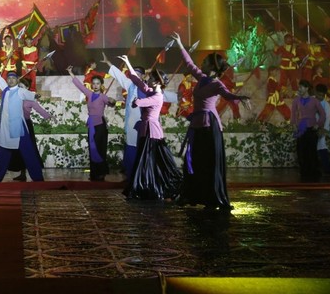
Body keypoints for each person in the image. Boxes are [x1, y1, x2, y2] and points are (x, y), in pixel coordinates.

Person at [171, 33, 250, 212]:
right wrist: (179, 44)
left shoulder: (216, 84)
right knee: (194, 160)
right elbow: (190, 65)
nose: (202, 64)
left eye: (205, 62)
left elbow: (228, 95)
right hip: (197, 123)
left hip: (209, 125)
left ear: (212, 67)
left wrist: (240, 97)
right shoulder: (202, 78)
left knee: (208, 162)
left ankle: (211, 197)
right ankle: (192, 194)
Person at [102, 52, 176, 179]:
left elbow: (166, 96)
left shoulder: (150, 89)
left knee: (145, 147)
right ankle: (131, 174)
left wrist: (183, 97)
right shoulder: (130, 85)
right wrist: (109, 63)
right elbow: (119, 76)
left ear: (142, 76)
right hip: (132, 122)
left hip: (147, 123)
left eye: (137, 73)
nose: (134, 75)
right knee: (131, 144)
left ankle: (148, 175)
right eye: (133, 73)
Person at [117, 55, 181, 201]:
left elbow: (142, 102)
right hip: (145, 129)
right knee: (145, 160)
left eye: (151, 78)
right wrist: (128, 63)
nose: (148, 80)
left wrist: (136, 102)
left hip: (153, 131)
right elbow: (138, 81)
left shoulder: (158, 95)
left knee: (155, 160)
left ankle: (159, 186)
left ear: (157, 81)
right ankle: (146, 185)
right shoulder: (150, 90)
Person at [0, 60, 43, 182]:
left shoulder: (20, 91)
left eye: (13, 78)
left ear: (17, 80)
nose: (11, 80)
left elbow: (30, 95)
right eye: (9, 78)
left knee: (29, 154)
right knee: (2, 155)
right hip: (6, 128)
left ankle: (38, 180)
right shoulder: (5, 89)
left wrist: (35, 96)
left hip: (18, 129)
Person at [68, 65, 115, 181]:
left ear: (101, 85)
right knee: (92, 149)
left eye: (97, 83)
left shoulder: (103, 97)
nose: (95, 85)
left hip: (100, 125)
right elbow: (79, 85)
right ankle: (94, 173)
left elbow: (111, 103)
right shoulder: (89, 94)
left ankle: (101, 173)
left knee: (100, 148)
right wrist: (70, 72)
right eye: (93, 83)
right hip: (91, 125)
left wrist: (112, 101)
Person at [9, 77, 52, 182]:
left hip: (26, 126)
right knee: (18, 149)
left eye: (22, 87)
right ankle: (22, 173)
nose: (20, 89)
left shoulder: (30, 99)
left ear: (27, 88)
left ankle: (35, 172)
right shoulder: (14, 97)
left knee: (29, 149)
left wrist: (49, 117)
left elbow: (39, 109)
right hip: (17, 126)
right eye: (19, 87)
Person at [289, 79, 326, 182]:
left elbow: (323, 114)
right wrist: (294, 125)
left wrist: (318, 125)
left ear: (306, 88)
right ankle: (304, 173)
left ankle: (313, 174)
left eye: (301, 87)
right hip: (301, 129)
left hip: (311, 129)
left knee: (311, 152)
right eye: (299, 87)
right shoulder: (296, 100)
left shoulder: (314, 101)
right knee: (301, 151)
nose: (299, 89)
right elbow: (293, 114)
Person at [313, 83, 330, 176]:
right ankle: (315, 168)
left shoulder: (326, 104)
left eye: (322, 95)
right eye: (318, 95)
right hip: (311, 128)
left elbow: (328, 118)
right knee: (312, 148)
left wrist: (324, 129)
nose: (320, 97)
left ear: (325, 95)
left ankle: (327, 169)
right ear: (315, 92)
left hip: (320, 129)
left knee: (321, 146)